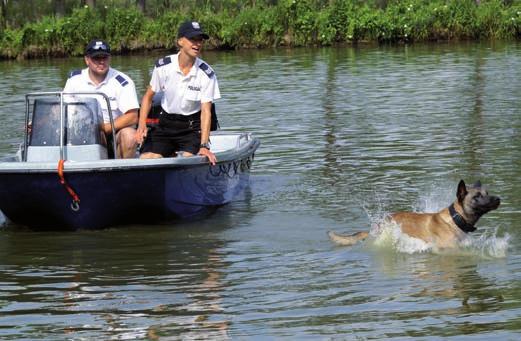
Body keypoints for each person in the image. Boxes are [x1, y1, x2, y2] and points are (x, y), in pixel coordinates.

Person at [135, 20, 220, 165]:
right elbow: (148, 97)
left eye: (200, 40)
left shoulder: (207, 74)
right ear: (180, 41)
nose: (197, 43)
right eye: (192, 39)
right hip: (165, 124)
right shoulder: (163, 66)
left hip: (192, 128)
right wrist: (141, 125)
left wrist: (204, 146)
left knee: (188, 161)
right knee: (146, 159)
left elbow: (206, 111)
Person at [64, 39, 139, 158]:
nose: (101, 62)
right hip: (81, 131)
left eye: (105, 57)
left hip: (113, 132)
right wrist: (39, 123)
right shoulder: (74, 80)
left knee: (130, 136)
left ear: (110, 58)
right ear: (87, 60)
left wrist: (105, 128)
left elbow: (133, 117)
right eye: (96, 58)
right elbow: (62, 108)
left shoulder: (123, 82)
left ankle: (123, 173)